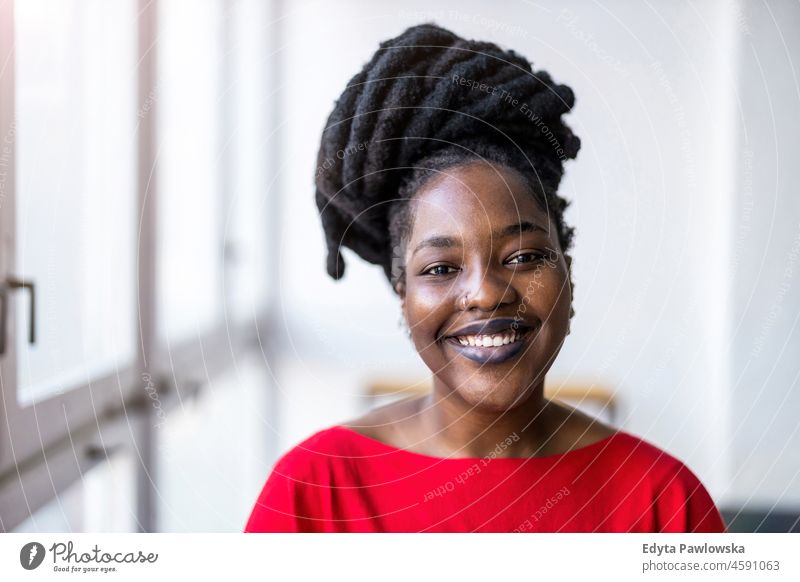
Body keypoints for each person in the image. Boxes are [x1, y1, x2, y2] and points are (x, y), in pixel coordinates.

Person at [244, 23, 727, 533]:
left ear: (568, 274)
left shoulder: (663, 500)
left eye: (523, 256)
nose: (486, 292)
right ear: (402, 292)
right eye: (440, 268)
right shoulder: (315, 489)